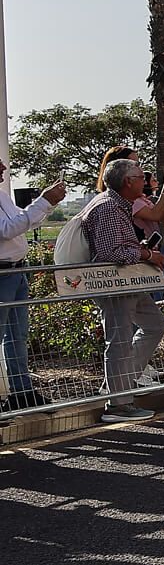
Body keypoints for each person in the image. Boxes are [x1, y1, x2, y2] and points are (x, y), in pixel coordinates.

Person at [87, 158, 164, 422]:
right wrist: (146, 253)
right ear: (127, 182)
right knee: (120, 341)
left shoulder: (118, 206)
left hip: (128, 281)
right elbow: (110, 252)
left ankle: (119, 386)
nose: (144, 180)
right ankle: (118, 403)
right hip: (115, 283)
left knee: (155, 324)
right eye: (140, 176)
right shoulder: (110, 208)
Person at [0, 161, 66, 409]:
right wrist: (44, 201)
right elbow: (7, 229)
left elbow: (23, 222)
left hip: (16, 272)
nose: (3, 166)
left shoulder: (2, 196)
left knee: (18, 335)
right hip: (3, 274)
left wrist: (47, 204)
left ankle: (21, 392)